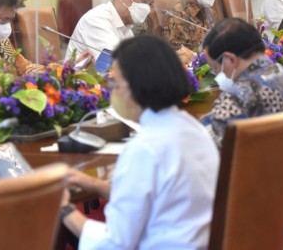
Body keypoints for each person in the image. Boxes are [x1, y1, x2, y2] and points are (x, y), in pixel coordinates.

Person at [60, 35, 219, 249]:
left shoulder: (144, 148)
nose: (110, 89)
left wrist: (64, 209)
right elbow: (156, 198)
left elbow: (114, 244)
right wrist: (95, 185)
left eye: (115, 82)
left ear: (137, 86)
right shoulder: (194, 129)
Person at [200, 18, 283, 240]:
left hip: (277, 216)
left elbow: (205, 152)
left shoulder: (241, 95)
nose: (218, 75)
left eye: (216, 68)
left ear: (230, 60)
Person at [65, 0, 156, 61]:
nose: (147, 8)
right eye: (144, 1)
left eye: (150, 4)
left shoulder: (126, 26)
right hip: (77, 75)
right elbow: (115, 64)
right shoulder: (96, 20)